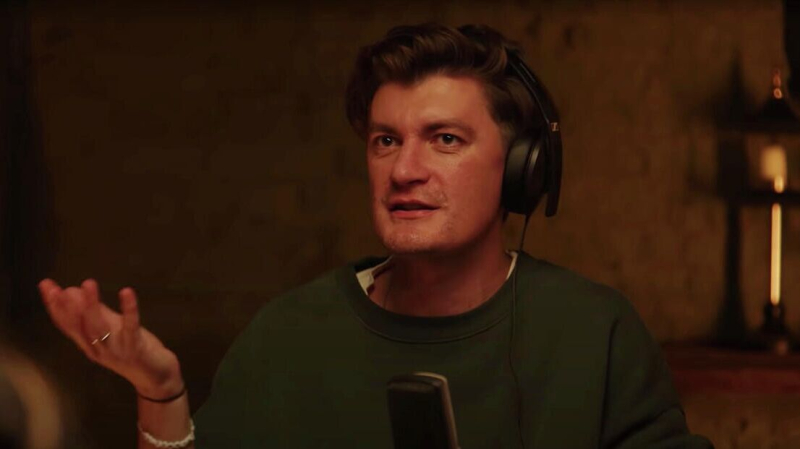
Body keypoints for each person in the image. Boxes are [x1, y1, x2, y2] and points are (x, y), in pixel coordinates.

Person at [37, 23, 712, 448]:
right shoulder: (289, 335)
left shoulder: (595, 333)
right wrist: (161, 393)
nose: (405, 170)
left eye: (445, 139)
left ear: (520, 168)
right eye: (386, 141)